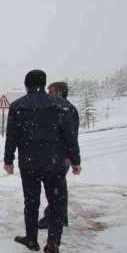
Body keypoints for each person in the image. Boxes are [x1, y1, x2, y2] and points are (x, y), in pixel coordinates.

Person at [3, 70, 81, 253]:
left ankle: (31, 238)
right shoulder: (61, 106)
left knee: (31, 201)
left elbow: (11, 136)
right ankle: (53, 245)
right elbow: (70, 136)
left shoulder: (17, 106)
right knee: (57, 204)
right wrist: (76, 160)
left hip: (29, 163)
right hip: (54, 164)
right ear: (44, 84)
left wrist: (8, 160)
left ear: (26, 85)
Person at [38, 82, 80, 230]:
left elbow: (71, 136)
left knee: (56, 187)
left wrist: (73, 159)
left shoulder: (66, 109)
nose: (48, 93)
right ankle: (59, 217)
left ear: (60, 92)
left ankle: (54, 218)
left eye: (51, 91)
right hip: (58, 155)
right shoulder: (64, 108)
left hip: (62, 156)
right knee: (58, 186)